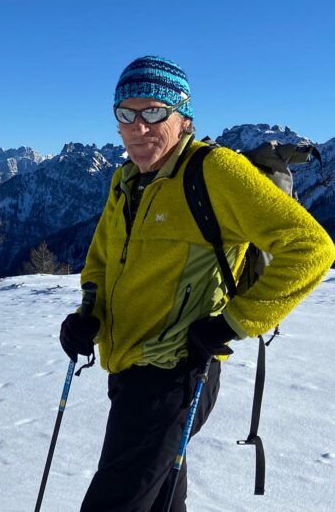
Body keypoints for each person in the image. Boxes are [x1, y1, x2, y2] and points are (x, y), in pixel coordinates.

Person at [59, 55, 335, 512]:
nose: (138, 127)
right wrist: (89, 313)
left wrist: (230, 324)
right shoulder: (125, 180)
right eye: (126, 114)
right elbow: (102, 260)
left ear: (182, 117)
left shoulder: (215, 171)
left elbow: (312, 248)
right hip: (127, 370)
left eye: (153, 112)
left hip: (177, 374)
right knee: (162, 502)